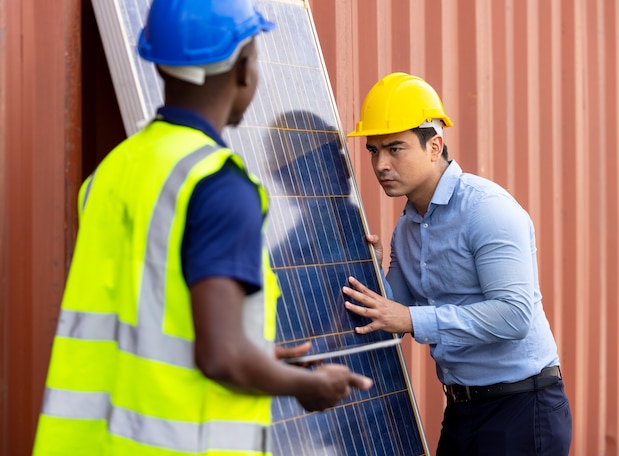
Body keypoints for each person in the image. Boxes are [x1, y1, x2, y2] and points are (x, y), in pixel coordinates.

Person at [31, 1, 372, 455]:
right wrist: (304, 385)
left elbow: (150, 315)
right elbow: (221, 356)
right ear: (243, 69)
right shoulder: (218, 185)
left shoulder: (112, 170)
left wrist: (256, 356)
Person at [342, 72, 572, 455]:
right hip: (463, 410)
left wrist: (413, 319)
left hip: (523, 409)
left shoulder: (487, 210)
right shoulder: (406, 230)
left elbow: (514, 316)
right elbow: (389, 322)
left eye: (395, 148)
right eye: (373, 151)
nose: (381, 164)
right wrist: (373, 268)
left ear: (434, 146)